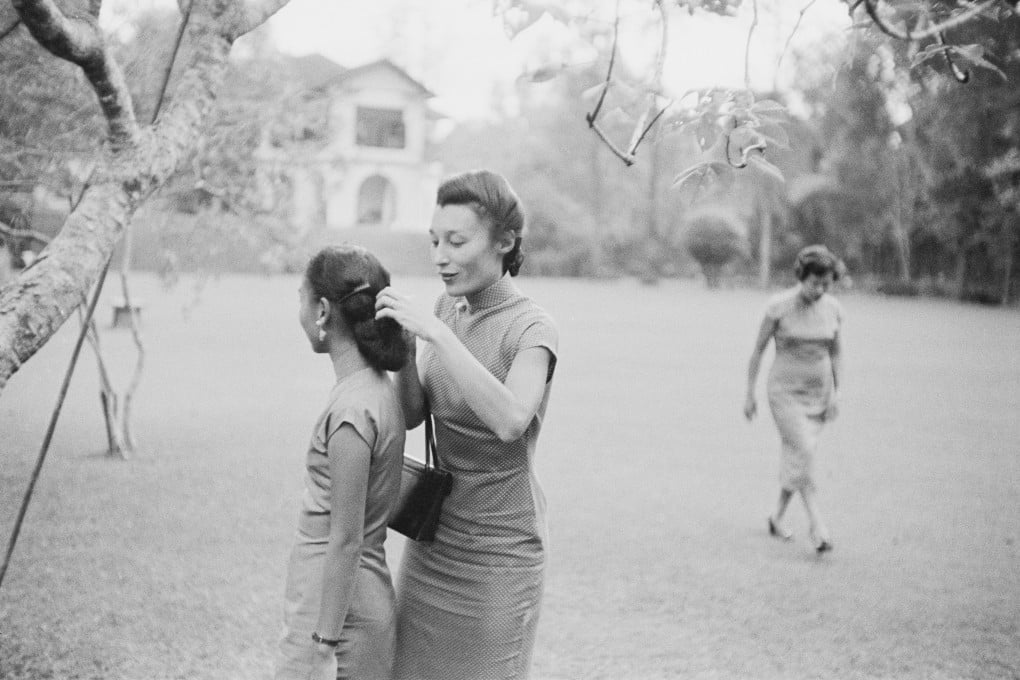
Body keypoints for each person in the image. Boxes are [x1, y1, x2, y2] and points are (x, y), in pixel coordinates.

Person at [375, 170, 558, 680]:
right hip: (434, 541)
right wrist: (406, 353)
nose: (440, 256)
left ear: (505, 242)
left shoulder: (532, 329)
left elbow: (510, 420)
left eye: (456, 242)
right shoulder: (447, 310)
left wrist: (437, 334)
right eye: (434, 241)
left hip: (501, 553)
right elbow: (414, 414)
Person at [275, 245, 408, 680]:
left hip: (336, 615)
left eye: (301, 299)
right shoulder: (377, 388)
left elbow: (347, 539)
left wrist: (323, 645)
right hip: (355, 600)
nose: (299, 311)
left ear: (322, 310)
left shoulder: (352, 411)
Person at [744, 245, 845, 554]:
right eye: (815, 283)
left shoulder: (833, 309)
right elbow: (758, 351)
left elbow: (836, 353)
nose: (820, 290)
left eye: (826, 284)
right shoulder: (779, 307)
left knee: (798, 457)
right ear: (801, 276)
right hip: (784, 393)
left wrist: (837, 393)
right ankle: (818, 525)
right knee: (803, 451)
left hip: (818, 395)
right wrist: (749, 393)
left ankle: (776, 516)